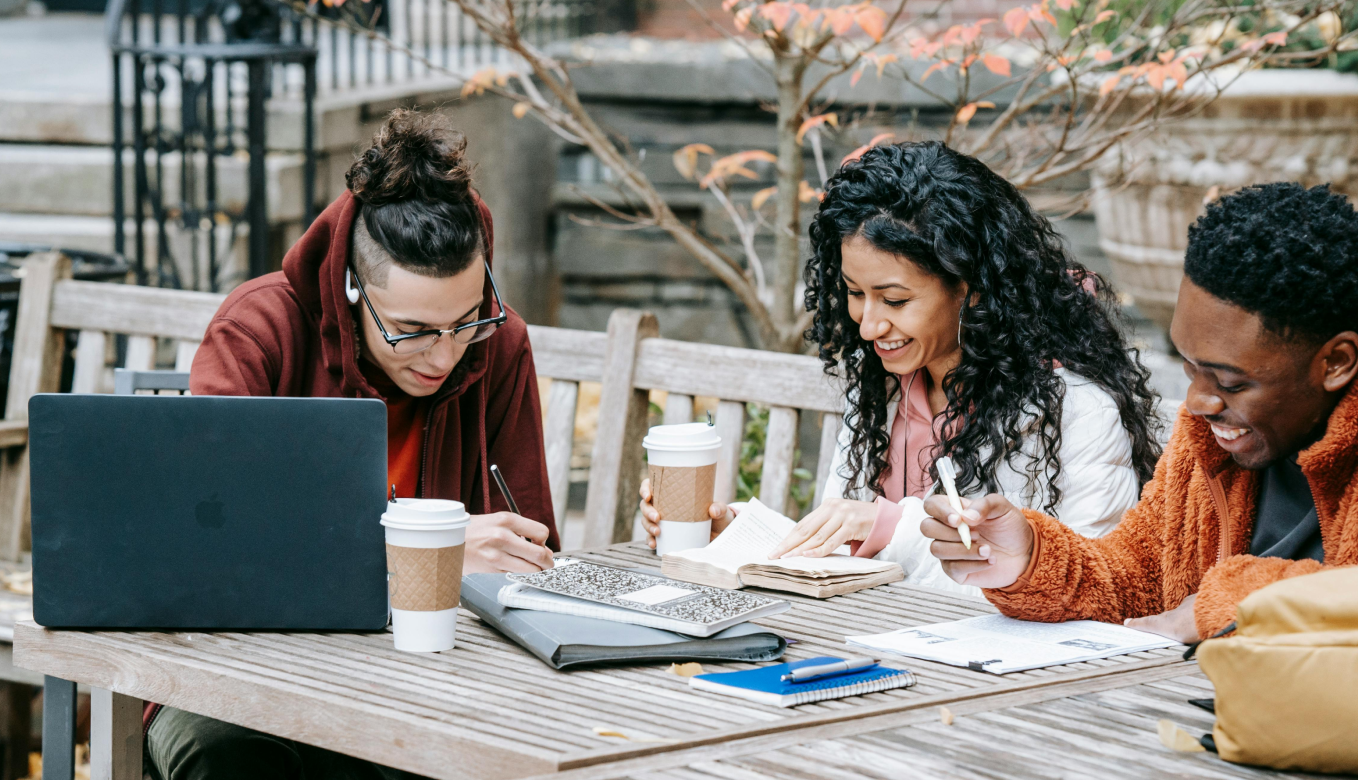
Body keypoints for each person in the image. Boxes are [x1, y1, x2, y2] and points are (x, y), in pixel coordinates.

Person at [922, 182, 1358, 641]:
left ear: (1337, 361)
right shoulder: (1217, 427)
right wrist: (1026, 558)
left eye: (1232, 381)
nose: (1198, 402)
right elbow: (1138, 578)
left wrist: (1225, 602)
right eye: (1190, 367)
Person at [151, 109, 556, 780]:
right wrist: (429, 560)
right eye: (412, 329)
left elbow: (536, 552)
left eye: (467, 322)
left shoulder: (501, 343)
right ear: (349, 289)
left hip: (430, 673)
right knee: (227, 756)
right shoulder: (259, 330)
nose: (445, 355)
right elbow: (208, 549)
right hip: (243, 665)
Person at [641, 142, 1165, 596]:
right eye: (854, 294)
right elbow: (846, 550)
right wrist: (735, 536)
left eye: (894, 299)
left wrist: (892, 526)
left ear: (972, 289)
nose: (868, 326)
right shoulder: (880, 389)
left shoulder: (1075, 411)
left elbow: (1085, 586)